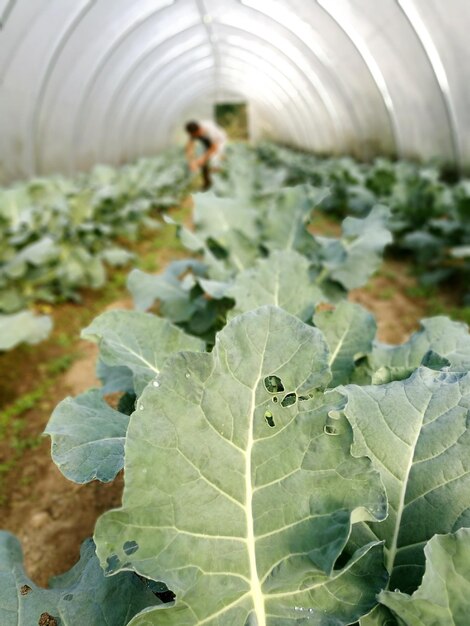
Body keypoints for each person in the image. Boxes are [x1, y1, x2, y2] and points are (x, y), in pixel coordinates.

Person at [185, 120, 227, 190]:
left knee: (214, 160)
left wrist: (202, 159)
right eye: (193, 135)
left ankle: (217, 185)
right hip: (207, 140)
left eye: (196, 134)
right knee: (203, 162)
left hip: (219, 141)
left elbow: (214, 148)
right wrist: (191, 161)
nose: (195, 136)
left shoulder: (211, 131)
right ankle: (207, 183)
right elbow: (189, 146)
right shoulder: (193, 131)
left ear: (199, 129)